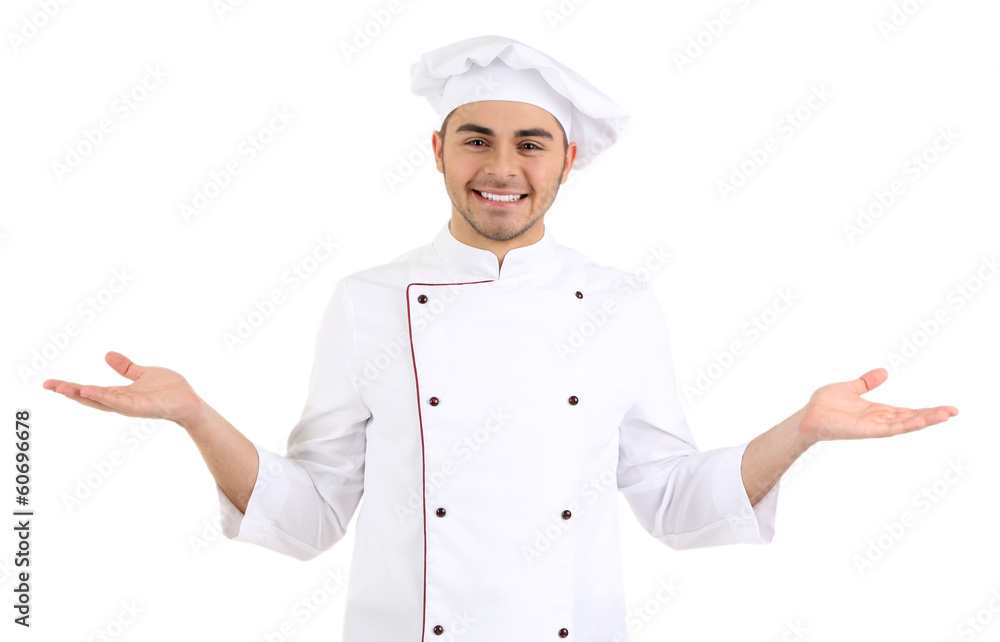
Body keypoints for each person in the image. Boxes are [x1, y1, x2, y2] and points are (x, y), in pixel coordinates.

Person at [43, 35, 958, 641]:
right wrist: (198, 417)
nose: (502, 167)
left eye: (531, 143)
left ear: (568, 161)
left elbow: (676, 502)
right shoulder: (369, 299)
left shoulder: (620, 302)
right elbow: (313, 512)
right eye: (476, 139)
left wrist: (800, 430)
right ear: (438, 151)